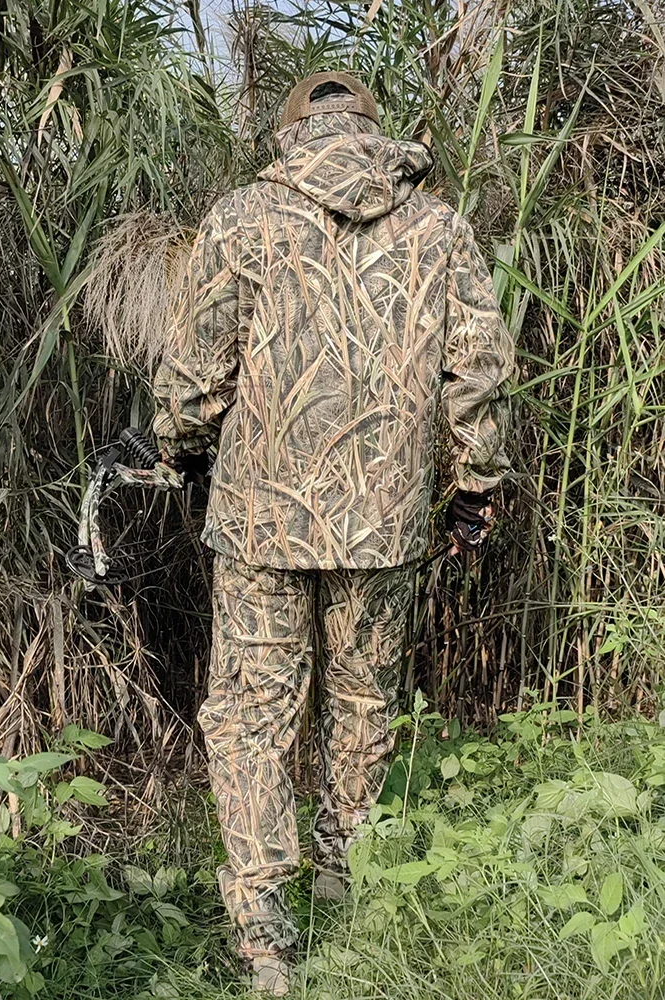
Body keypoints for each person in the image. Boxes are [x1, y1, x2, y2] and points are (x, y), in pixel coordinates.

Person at [152, 71, 514, 995]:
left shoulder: (242, 218)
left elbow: (197, 371)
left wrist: (183, 448)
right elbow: (477, 372)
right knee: (362, 704)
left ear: (290, 134)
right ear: (371, 129)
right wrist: (475, 486)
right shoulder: (437, 226)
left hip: (262, 518)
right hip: (384, 522)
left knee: (252, 714)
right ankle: (350, 888)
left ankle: (264, 929)